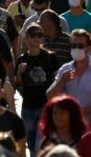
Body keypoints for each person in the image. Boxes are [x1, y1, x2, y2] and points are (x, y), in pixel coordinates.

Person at [16, 23, 59, 155]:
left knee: (42, 143)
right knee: (30, 142)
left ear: (43, 39)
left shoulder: (50, 57)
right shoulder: (21, 59)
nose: (36, 38)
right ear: (26, 38)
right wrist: (18, 72)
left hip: (45, 106)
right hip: (28, 106)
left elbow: (57, 80)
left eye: (39, 35)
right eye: (32, 35)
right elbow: (17, 86)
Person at [47, 29, 91, 125]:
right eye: (73, 46)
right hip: (68, 126)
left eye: (80, 46)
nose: (76, 49)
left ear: (89, 48)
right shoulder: (65, 69)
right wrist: (62, 81)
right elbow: (49, 96)